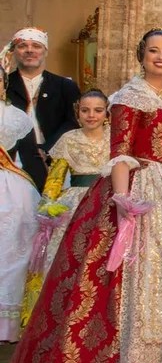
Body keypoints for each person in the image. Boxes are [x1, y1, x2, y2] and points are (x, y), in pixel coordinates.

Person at [11, 30, 162, 363]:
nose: (160, 57)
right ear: (140, 54)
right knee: (138, 276)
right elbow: (121, 152)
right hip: (140, 188)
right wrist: (123, 202)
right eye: (153, 51)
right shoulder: (128, 97)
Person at [20, 91, 111, 328]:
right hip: (76, 204)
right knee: (71, 259)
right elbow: (56, 177)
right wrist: (48, 203)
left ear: (107, 113)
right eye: (85, 110)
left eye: (98, 110)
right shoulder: (69, 139)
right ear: (77, 113)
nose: (91, 115)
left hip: (107, 200)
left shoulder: (116, 138)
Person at [3, 26, 81, 188]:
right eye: (23, 46)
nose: (29, 50)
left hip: (54, 159)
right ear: (14, 51)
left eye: (36, 46)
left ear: (45, 51)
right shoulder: (5, 86)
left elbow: (73, 121)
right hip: (14, 160)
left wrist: (48, 148)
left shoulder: (65, 86)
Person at [0, 94, 43, 341]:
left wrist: (46, 192)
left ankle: (8, 329)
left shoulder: (15, 116)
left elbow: (30, 157)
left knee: (12, 253)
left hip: (12, 190)